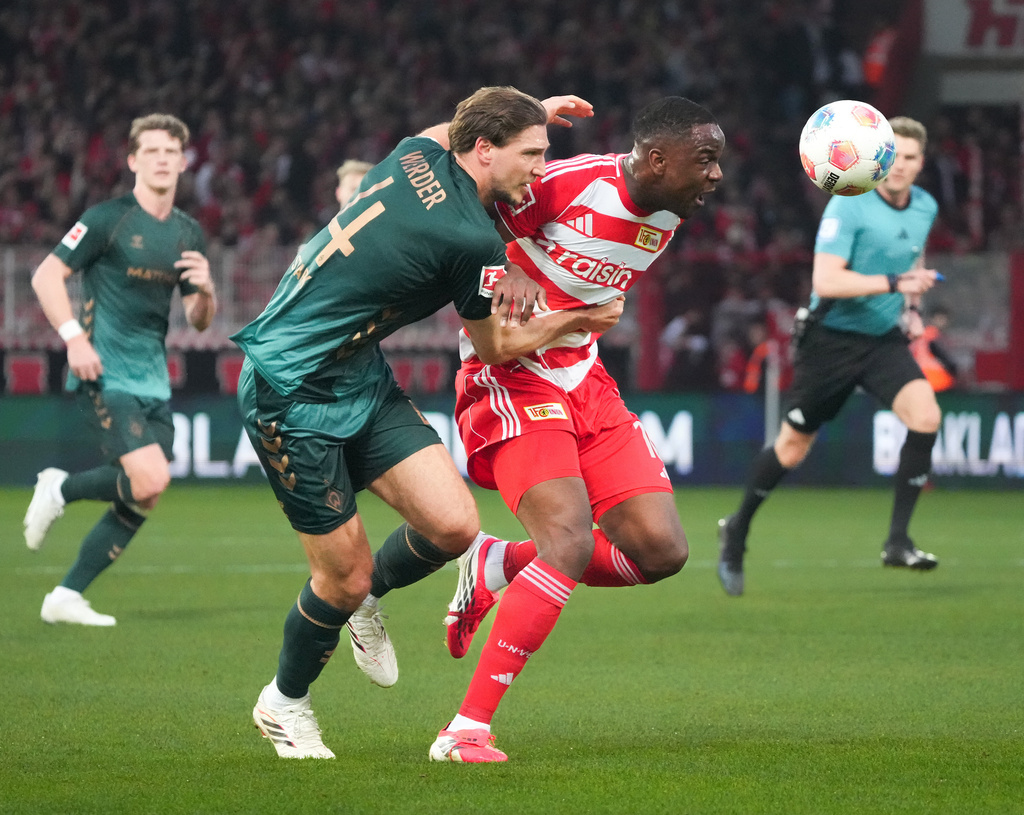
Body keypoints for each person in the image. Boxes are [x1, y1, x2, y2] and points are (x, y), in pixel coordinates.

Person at [234, 86, 610, 760]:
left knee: (455, 525)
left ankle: (367, 601)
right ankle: (284, 701)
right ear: (486, 150)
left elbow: (450, 126)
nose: (541, 167)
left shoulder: (418, 152)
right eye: (532, 152)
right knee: (338, 578)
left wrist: (530, 107)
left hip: (358, 374)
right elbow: (495, 345)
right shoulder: (469, 238)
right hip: (289, 389)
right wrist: (577, 319)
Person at [430, 97, 726, 763]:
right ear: (657, 158)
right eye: (705, 161)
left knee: (661, 552)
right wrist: (500, 260)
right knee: (565, 540)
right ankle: (464, 730)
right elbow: (469, 202)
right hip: (509, 373)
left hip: (584, 379)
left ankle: (499, 560)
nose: (715, 177)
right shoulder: (573, 181)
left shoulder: (673, 209)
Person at [717, 116, 942, 597]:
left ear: (921, 163)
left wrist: (913, 308)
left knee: (926, 417)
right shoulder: (850, 205)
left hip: (883, 339)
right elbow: (827, 282)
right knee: (793, 449)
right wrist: (894, 285)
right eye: (893, 155)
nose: (899, 166)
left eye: (909, 158)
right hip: (830, 341)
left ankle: (897, 542)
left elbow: (913, 259)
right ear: (878, 158)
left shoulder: (925, 206)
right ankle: (736, 530)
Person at [23, 113, 217, 625]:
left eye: (170, 152)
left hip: (153, 379)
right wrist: (73, 339)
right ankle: (57, 488)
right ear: (133, 160)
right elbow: (46, 274)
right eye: (151, 151)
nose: (161, 160)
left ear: (182, 161)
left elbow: (199, 322)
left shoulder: (188, 232)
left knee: (146, 490)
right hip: (103, 371)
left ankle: (65, 594)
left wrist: (208, 290)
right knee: (149, 477)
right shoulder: (109, 218)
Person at [909, 305, 957, 392]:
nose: (941, 322)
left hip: (922, 380)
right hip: (936, 379)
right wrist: (954, 370)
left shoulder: (924, 334)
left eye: (943, 319)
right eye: (939, 318)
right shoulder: (931, 334)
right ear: (932, 318)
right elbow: (942, 355)